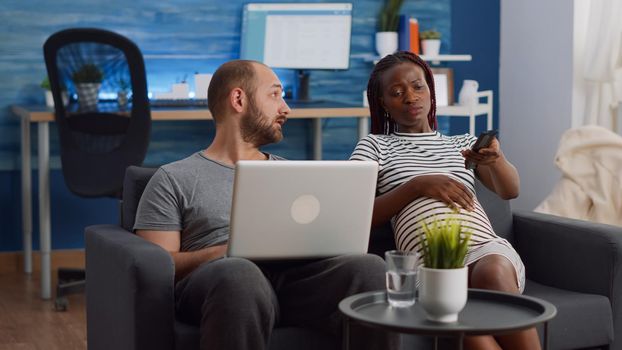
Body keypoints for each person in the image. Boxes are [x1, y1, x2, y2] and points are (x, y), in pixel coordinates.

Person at [133, 60, 396, 350]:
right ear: (238, 99)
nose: (286, 109)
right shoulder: (173, 178)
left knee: (369, 267)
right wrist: (225, 252)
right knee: (239, 273)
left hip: (295, 283)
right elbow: (156, 264)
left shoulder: (294, 176)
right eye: (274, 95)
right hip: (220, 282)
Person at [351, 51, 541, 350]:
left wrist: (497, 158)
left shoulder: (461, 144)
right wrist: (416, 186)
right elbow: (353, 214)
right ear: (384, 104)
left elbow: (510, 190)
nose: (411, 97)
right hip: (429, 265)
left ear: (431, 89)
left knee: (491, 272)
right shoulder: (374, 146)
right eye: (397, 93)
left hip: (483, 248)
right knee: (462, 321)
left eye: (418, 86)